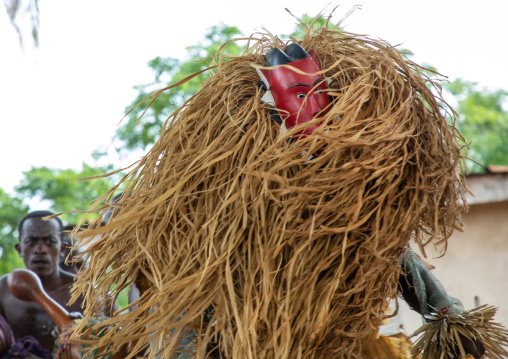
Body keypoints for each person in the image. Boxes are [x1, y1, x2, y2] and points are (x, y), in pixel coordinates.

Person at [0, 211, 86, 354]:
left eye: (49, 241)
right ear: (19, 249)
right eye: (31, 242)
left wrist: (87, 332)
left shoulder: (90, 294)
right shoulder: (2, 290)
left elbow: (118, 348)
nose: (40, 250)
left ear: (62, 249)